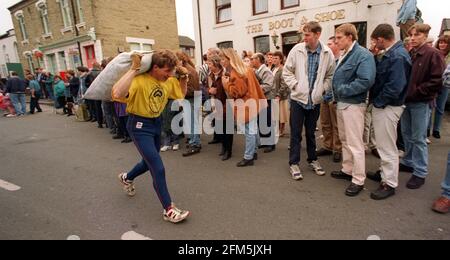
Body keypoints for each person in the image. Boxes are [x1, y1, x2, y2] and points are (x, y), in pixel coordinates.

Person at [112, 50, 190, 224]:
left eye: (171, 71)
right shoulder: (139, 81)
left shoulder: (168, 81)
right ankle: (168, 209)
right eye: (166, 71)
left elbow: (181, 96)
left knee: (148, 162)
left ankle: (127, 177)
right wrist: (133, 69)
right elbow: (117, 93)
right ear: (155, 67)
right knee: (157, 167)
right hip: (139, 126)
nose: (170, 75)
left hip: (156, 123)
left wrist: (184, 78)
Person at [283, 22, 336, 180]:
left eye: (307, 35)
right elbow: (287, 71)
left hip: (315, 101)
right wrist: (296, 86)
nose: (303, 38)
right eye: (303, 34)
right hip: (298, 100)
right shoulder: (297, 49)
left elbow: (330, 75)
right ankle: (294, 162)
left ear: (317, 34)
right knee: (295, 134)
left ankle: (312, 159)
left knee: (311, 133)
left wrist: (322, 90)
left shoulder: (327, 53)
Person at [366, 24, 412, 200]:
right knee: (384, 144)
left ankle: (389, 183)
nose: (375, 44)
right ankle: (384, 173)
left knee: (387, 147)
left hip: (388, 106)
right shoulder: (393, 53)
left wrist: (378, 103)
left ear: (380, 39)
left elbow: (395, 86)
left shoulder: (397, 56)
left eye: (375, 41)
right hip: (387, 105)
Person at [330, 23, 376, 197]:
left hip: (354, 105)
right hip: (342, 103)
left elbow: (366, 80)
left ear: (350, 37)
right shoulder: (346, 54)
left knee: (355, 143)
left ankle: (358, 179)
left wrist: (342, 90)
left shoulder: (362, 54)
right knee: (345, 139)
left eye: (339, 37)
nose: (336, 41)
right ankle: (348, 170)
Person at [400, 24, 446, 189]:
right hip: (408, 101)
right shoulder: (412, 52)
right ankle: (408, 161)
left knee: (418, 138)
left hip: (420, 102)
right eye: (411, 35)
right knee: (407, 134)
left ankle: (420, 172)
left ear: (425, 36)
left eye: (416, 35)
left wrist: (416, 92)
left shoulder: (433, 54)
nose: (412, 38)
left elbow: (436, 82)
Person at [220, 48, 266, 167]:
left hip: (245, 105)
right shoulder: (246, 69)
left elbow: (236, 93)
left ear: (230, 59)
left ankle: (248, 157)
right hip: (252, 102)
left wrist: (226, 84)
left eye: (223, 59)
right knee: (253, 129)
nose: (221, 62)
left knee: (249, 131)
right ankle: (254, 152)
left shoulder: (236, 72)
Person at [317, 36, 343, 163]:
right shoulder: (326, 60)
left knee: (336, 125)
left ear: (336, 45)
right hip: (325, 96)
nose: (327, 46)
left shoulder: (342, 60)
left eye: (330, 43)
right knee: (325, 123)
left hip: (335, 97)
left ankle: (338, 149)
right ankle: (327, 145)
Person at [208, 54, 234, 161]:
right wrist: (209, 90)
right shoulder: (211, 75)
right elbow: (208, 87)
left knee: (227, 129)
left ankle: (228, 151)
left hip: (227, 104)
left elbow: (230, 90)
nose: (208, 65)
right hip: (217, 104)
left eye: (210, 63)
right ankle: (224, 147)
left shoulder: (225, 74)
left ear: (216, 64)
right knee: (220, 129)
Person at [251, 53, 276, 153]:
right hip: (260, 98)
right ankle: (265, 141)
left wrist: (255, 88)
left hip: (266, 99)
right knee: (261, 120)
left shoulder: (265, 71)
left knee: (267, 121)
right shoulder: (257, 70)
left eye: (253, 59)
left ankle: (270, 144)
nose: (251, 60)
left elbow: (268, 85)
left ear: (258, 60)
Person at [428, 35, 450, 139]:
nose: (442, 44)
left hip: (445, 85)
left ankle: (436, 129)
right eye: (441, 42)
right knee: (430, 106)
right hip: (434, 82)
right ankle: (427, 129)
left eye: (445, 42)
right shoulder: (434, 52)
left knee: (440, 108)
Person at [272, 51, 290, 137]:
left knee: (281, 115)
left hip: (281, 96)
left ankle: (281, 131)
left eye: (276, 58)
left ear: (281, 60)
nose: (274, 60)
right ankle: (277, 130)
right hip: (274, 94)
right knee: (276, 114)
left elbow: (284, 84)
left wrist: (278, 94)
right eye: (273, 58)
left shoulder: (282, 69)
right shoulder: (273, 69)